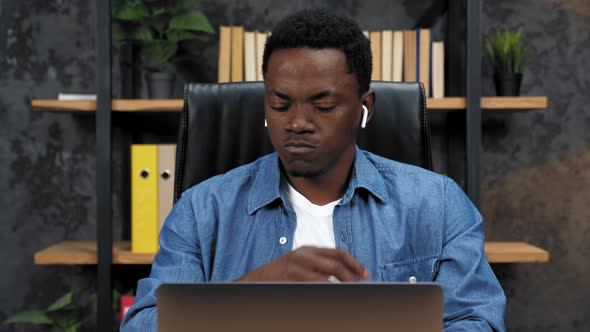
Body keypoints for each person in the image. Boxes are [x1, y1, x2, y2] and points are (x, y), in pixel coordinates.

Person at [121, 9, 506, 332]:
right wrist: (246, 294)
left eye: (323, 105)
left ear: (364, 106)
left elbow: (478, 320)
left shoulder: (436, 203)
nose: (297, 123)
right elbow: (143, 324)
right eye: (281, 104)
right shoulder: (202, 210)